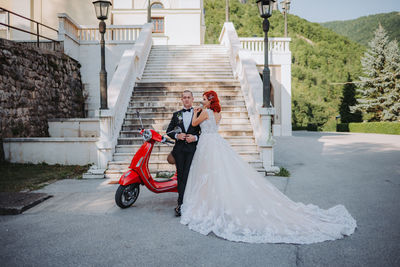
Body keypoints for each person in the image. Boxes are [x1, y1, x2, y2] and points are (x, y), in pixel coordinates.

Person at [180, 90, 357, 244]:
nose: (201, 101)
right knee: (216, 174)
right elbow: (213, 126)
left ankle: (209, 205)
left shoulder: (204, 112)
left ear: (210, 100)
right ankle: (214, 203)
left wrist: (197, 112)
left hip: (208, 144)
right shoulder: (218, 114)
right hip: (215, 142)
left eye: (204, 98)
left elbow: (195, 124)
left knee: (208, 174)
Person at [166, 90, 201, 217]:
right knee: (180, 176)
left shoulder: (199, 113)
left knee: (189, 175)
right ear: (181, 100)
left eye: (188, 97)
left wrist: (195, 138)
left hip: (192, 150)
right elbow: (168, 131)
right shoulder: (176, 115)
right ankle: (180, 204)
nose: (186, 99)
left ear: (192, 99)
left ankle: (191, 202)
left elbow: (205, 132)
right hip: (179, 150)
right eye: (184, 98)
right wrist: (177, 135)